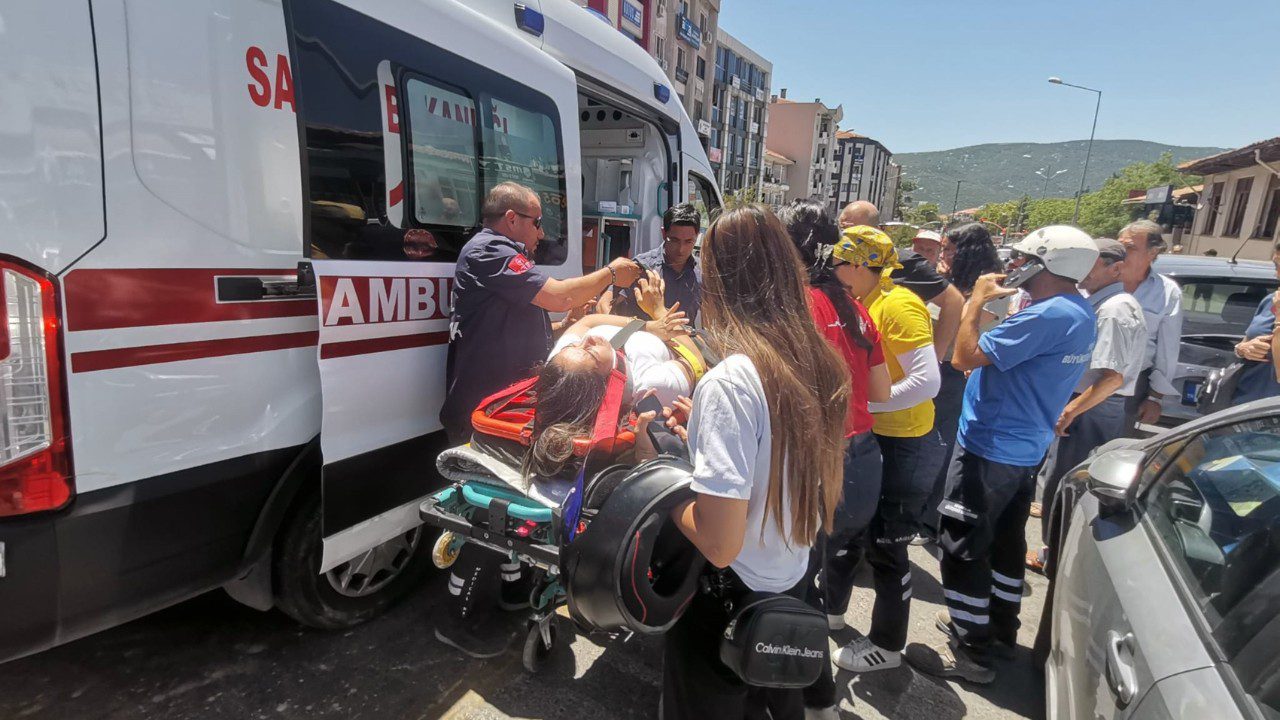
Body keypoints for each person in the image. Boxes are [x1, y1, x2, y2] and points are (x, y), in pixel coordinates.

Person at [437, 182, 642, 658]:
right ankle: (458, 619)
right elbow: (556, 296)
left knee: (510, 512)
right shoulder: (490, 251)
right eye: (535, 222)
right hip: (485, 414)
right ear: (512, 219)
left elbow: (536, 319)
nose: (540, 232)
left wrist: (570, 324)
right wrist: (611, 273)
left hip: (505, 413)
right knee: (486, 517)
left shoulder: (504, 260)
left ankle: (511, 593)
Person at [661, 204, 850, 720]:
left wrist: (662, 478)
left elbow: (720, 544)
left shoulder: (730, 382)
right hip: (789, 582)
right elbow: (779, 457)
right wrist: (706, 435)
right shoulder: (818, 361)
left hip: (726, 599)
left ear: (719, 279)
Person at [907, 225, 1098, 683]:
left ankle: (971, 649)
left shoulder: (1048, 314)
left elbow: (964, 357)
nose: (1016, 266)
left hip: (991, 444)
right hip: (1024, 445)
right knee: (1004, 542)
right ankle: (997, 629)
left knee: (962, 543)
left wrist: (974, 301)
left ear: (1048, 264)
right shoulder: (1079, 310)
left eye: (1027, 259)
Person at [777, 201, 891, 716]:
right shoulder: (856, 309)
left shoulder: (793, 306)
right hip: (864, 462)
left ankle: (816, 700)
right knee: (813, 576)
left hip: (820, 464)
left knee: (794, 586)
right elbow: (882, 392)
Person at [828, 225, 941, 674]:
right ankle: (832, 611)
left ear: (858, 264)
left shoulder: (900, 305)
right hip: (873, 435)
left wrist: (867, 402)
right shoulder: (864, 300)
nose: (832, 270)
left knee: (887, 546)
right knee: (850, 530)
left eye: (838, 262)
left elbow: (927, 381)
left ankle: (887, 645)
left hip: (904, 442)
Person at [1027, 238, 1147, 573]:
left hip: (1091, 407)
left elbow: (1111, 378)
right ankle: (1057, 552)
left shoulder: (1114, 309)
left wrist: (1071, 410)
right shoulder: (1105, 302)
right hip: (1088, 405)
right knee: (1062, 480)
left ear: (1116, 268)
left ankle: (1057, 559)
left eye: (1092, 264)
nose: (1083, 272)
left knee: (1071, 484)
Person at [524, 277, 700, 481]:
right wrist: (658, 310)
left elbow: (587, 322)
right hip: (675, 333)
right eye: (591, 353)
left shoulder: (562, 363)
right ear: (604, 385)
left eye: (574, 345)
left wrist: (649, 326)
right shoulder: (649, 385)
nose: (587, 339)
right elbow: (695, 362)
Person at [917, 223, 1007, 546]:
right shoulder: (952, 282)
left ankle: (929, 521)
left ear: (969, 252)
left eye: (950, 250)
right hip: (933, 368)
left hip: (956, 374)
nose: (944, 255)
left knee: (941, 446)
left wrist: (954, 297)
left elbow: (969, 326)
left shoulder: (993, 288)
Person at [839, 201, 964, 358]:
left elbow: (953, 300)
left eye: (857, 231)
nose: (849, 237)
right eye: (843, 230)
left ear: (878, 232)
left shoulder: (902, 261)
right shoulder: (836, 260)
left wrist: (937, 354)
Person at [1117, 220, 1183, 436]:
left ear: (1152, 253)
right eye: (1119, 245)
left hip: (1131, 386)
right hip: (1085, 379)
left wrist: (1155, 397)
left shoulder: (1167, 292)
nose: (1121, 252)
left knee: (1111, 448)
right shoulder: (1100, 280)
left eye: (1130, 247)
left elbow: (1167, 350)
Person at [605, 203, 703, 323]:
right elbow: (604, 305)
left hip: (684, 335)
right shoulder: (641, 267)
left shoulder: (703, 272)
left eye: (688, 241)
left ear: (697, 236)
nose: (681, 249)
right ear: (664, 233)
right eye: (674, 240)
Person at [1229, 240, 1280, 404]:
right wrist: (1243, 349)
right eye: (1276, 266)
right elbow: (1244, 343)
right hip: (1244, 404)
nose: (1277, 274)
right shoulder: (1269, 301)